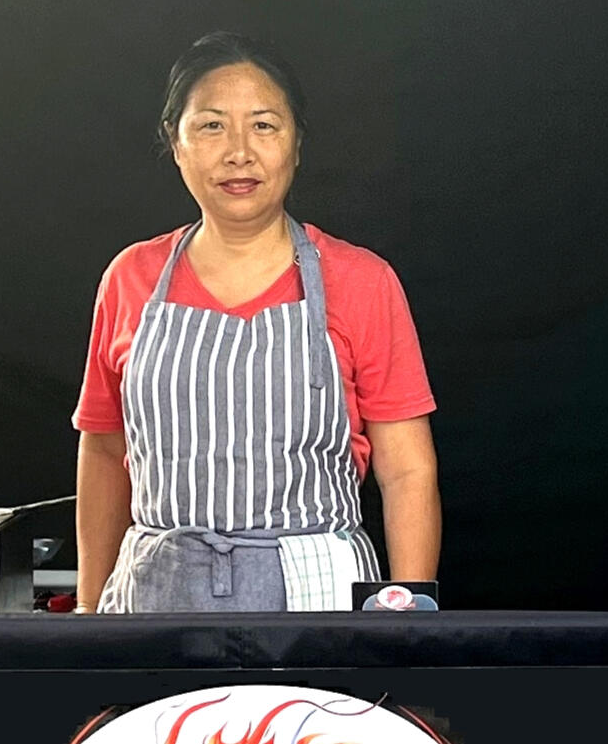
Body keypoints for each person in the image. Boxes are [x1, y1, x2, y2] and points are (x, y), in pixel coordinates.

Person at [71, 31, 441, 613]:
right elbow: (101, 453)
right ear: (176, 141)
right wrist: (90, 620)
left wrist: (407, 621)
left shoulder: (362, 280)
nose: (239, 151)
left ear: (296, 144)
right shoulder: (130, 278)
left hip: (321, 593)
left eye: (264, 125)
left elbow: (407, 471)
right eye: (212, 125)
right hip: (157, 597)